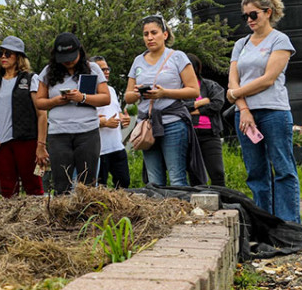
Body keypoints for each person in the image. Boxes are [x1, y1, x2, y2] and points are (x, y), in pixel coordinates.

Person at [227, 0, 300, 224]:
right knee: (256, 172)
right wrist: (243, 108)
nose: (249, 19)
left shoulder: (280, 41)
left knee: (282, 168)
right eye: (245, 16)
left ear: (268, 13)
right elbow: (233, 79)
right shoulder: (241, 44)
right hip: (245, 115)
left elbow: (268, 79)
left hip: (273, 112)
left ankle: (289, 224)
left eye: (254, 14)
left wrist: (235, 94)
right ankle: (264, 224)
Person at [124, 14, 205, 187]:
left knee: (177, 177)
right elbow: (127, 96)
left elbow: (193, 90)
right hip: (147, 124)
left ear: (165, 34)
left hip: (173, 122)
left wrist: (164, 93)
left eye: (154, 32)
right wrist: (138, 93)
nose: (150, 38)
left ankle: (181, 213)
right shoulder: (138, 60)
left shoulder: (177, 57)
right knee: (154, 180)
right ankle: (159, 214)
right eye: (146, 34)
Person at [34, 32, 110, 194]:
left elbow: (105, 98)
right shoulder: (48, 72)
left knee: (87, 184)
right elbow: (39, 102)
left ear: (80, 52)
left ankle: (88, 216)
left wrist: (82, 97)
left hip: (87, 133)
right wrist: (55, 101)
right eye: (64, 58)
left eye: (71, 57)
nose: (68, 61)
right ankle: (63, 217)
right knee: (61, 184)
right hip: (59, 134)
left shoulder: (93, 68)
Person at [0, 36, 48, 198]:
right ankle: (10, 222)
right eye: (1, 54)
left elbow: (42, 114)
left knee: (33, 185)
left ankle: (37, 220)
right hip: (0, 143)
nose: (3, 57)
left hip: (26, 140)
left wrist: (41, 145)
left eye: (8, 53)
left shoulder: (31, 79)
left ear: (18, 57)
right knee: (7, 189)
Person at [184, 53, 226, 187]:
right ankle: (198, 206)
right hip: (190, 136)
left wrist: (195, 111)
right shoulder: (180, 89)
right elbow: (181, 107)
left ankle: (221, 202)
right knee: (195, 175)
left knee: (217, 172)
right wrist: (201, 102)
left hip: (210, 134)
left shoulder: (210, 85)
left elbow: (217, 104)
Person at [89, 56, 131, 189]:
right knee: (101, 187)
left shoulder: (111, 90)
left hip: (116, 145)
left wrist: (123, 118)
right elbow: (82, 119)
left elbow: (115, 111)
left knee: (124, 182)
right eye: (102, 69)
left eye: (107, 69)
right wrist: (103, 123)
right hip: (99, 149)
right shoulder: (87, 93)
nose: (106, 72)